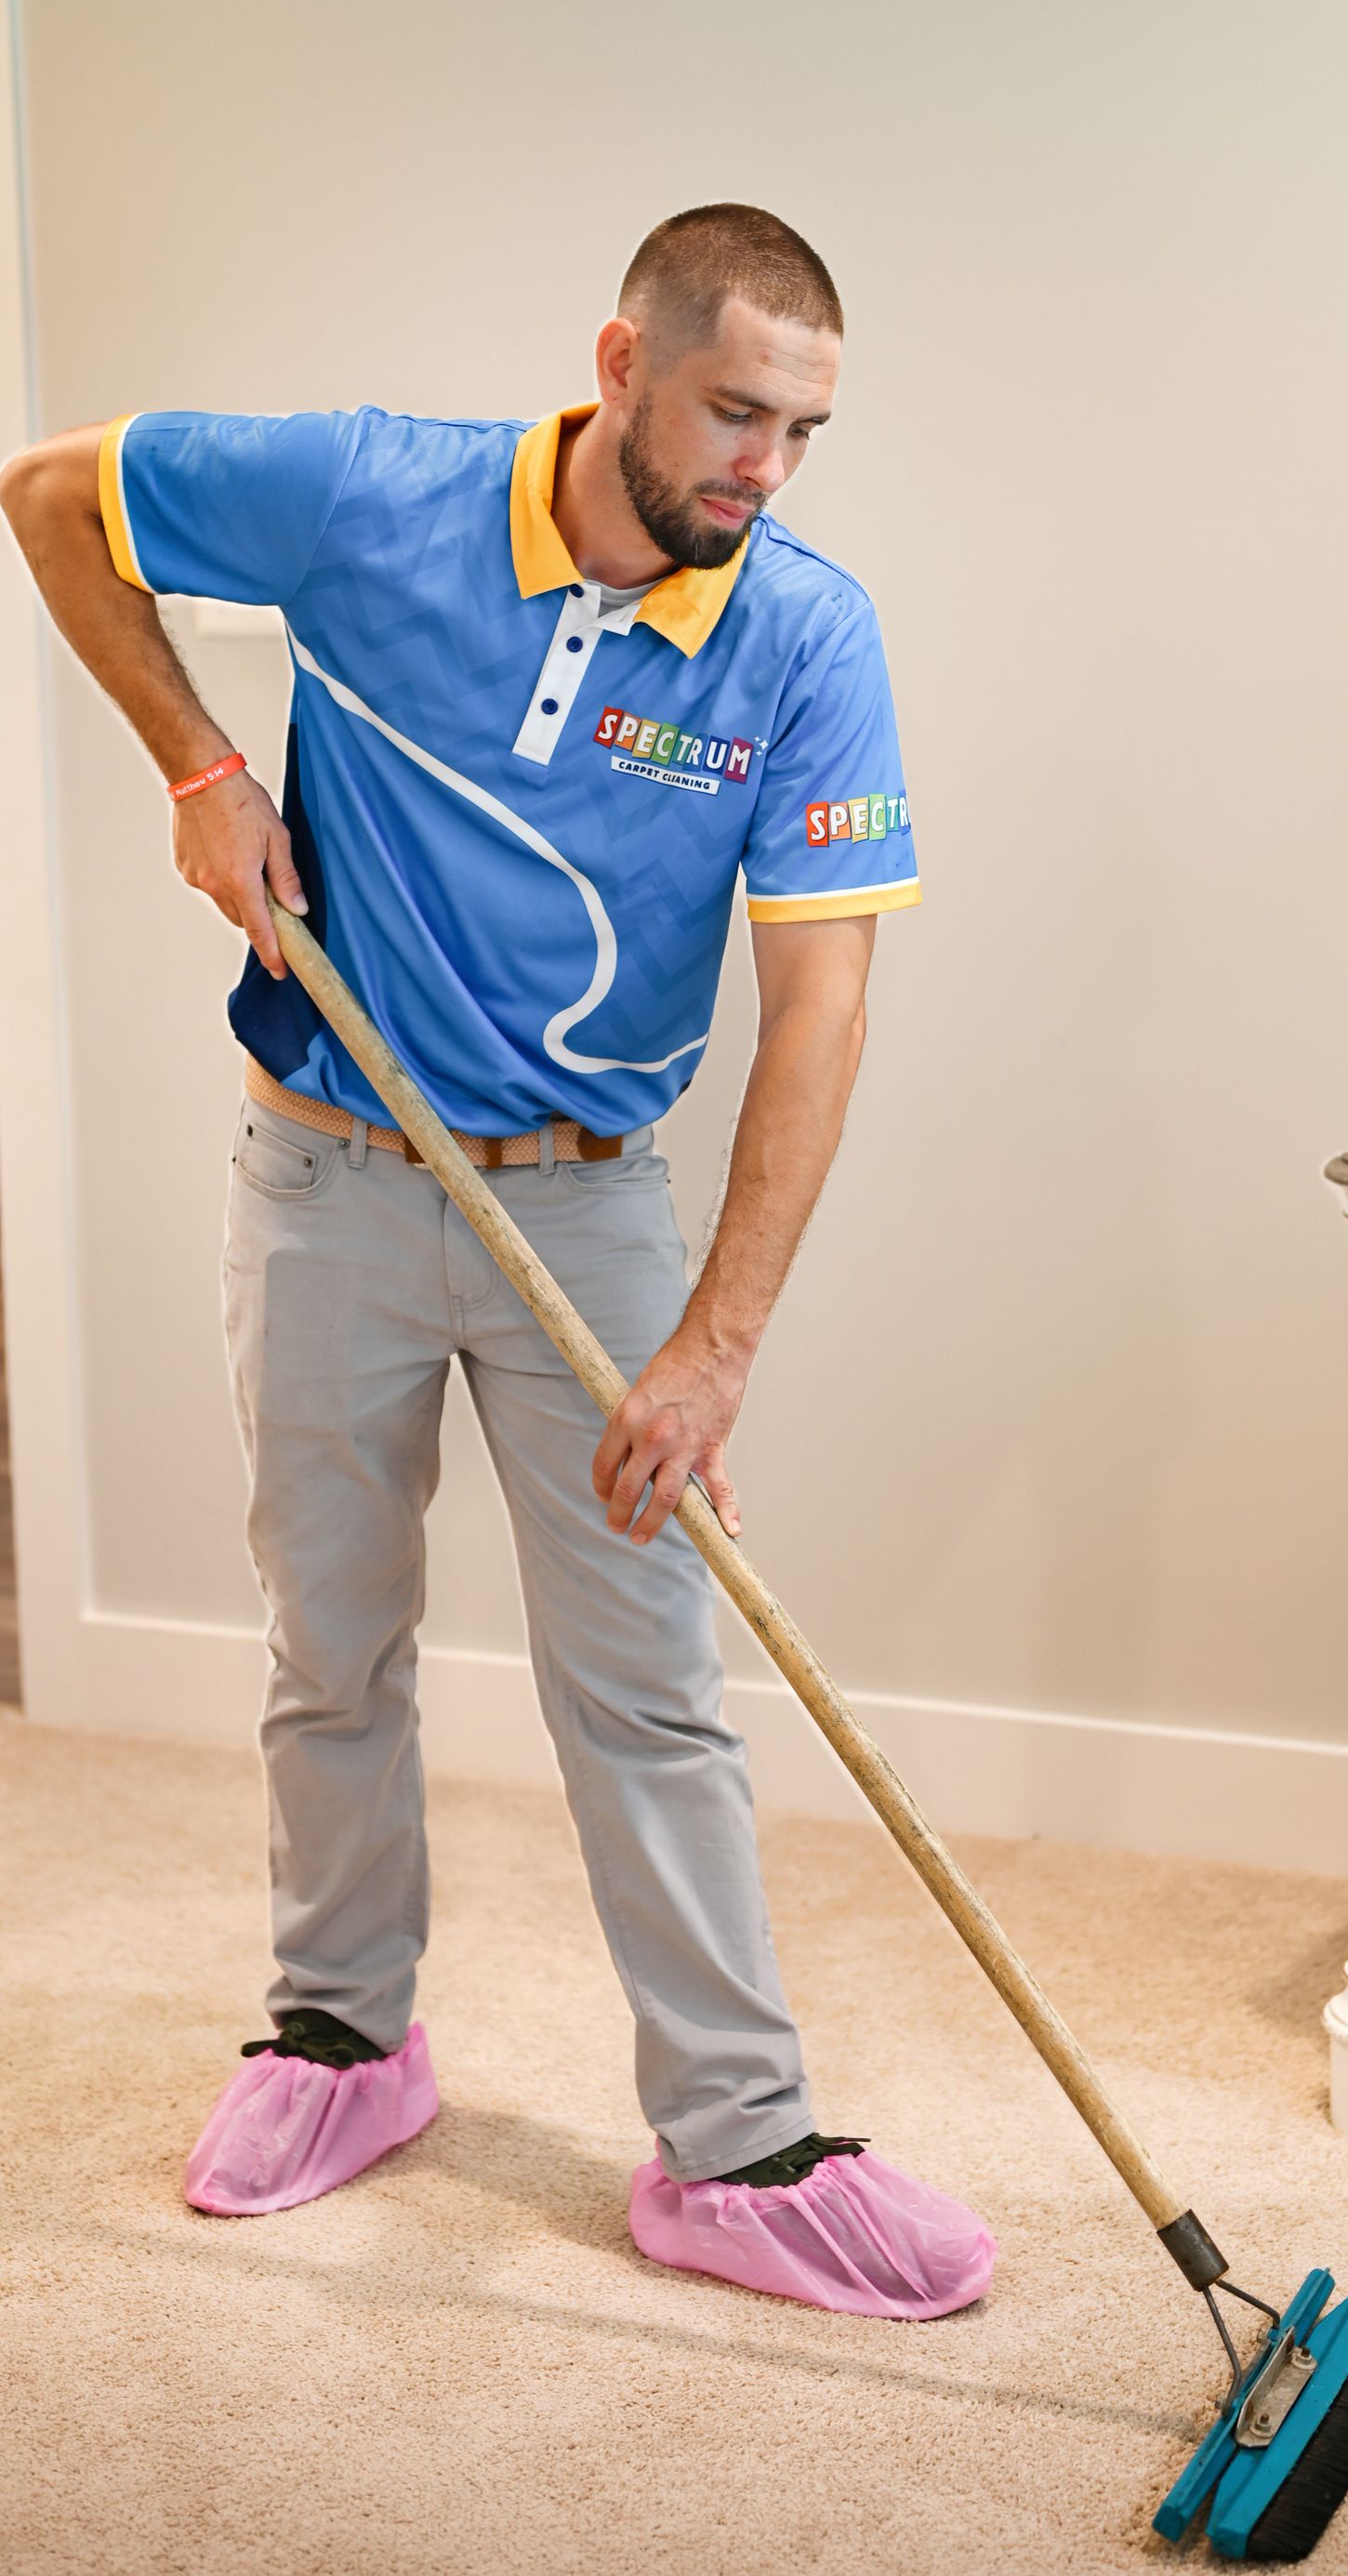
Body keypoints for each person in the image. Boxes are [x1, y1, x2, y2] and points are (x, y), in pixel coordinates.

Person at [0, 203, 993, 2322]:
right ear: (619, 361)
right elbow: (50, 493)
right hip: (330, 1169)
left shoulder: (801, 636)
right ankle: (342, 2039)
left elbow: (821, 1007)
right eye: (735, 412)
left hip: (589, 1203)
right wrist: (197, 760)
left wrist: (714, 1346)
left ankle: (738, 2147)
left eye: (805, 433)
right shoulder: (376, 497)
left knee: (650, 1680)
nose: (765, 472)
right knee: (329, 1636)